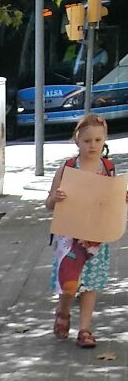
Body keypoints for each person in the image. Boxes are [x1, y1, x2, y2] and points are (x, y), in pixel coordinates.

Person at [46, 113, 120, 348]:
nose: (93, 145)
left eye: (98, 140)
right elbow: (49, 202)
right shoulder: (68, 167)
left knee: (91, 284)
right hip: (69, 236)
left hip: (97, 236)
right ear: (77, 141)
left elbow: (112, 201)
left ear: (105, 140)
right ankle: (63, 311)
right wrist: (55, 198)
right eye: (88, 141)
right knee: (69, 282)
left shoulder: (108, 168)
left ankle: (85, 329)